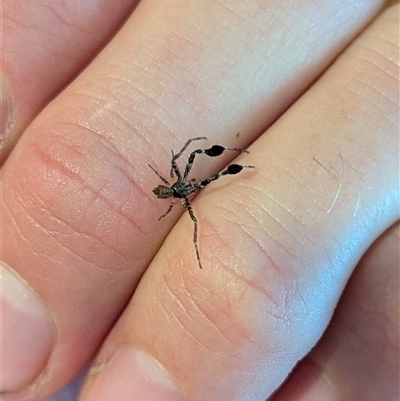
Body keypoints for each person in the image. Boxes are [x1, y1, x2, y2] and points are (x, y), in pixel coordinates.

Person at [1, 1, 398, 400]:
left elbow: (187, 157)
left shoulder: (185, 188)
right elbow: (175, 186)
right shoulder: (179, 198)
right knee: (196, 179)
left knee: (203, 165)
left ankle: (239, 160)